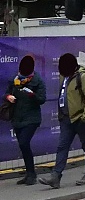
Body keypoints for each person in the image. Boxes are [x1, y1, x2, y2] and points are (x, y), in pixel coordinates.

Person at [38, 52, 85, 189]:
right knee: (62, 147)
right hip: (66, 119)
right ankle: (56, 176)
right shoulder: (64, 77)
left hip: (80, 119)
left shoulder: (82, 77)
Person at [4, 55, 47, 185]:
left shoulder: (38, 81)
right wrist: (8, 97)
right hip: (17, 117)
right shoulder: (15, 79)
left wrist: (32, 95)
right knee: (23, 146)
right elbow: (6, 93)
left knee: (24, 143)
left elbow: (42, 99)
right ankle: (29, 173)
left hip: (31, 118)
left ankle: (32, 174)